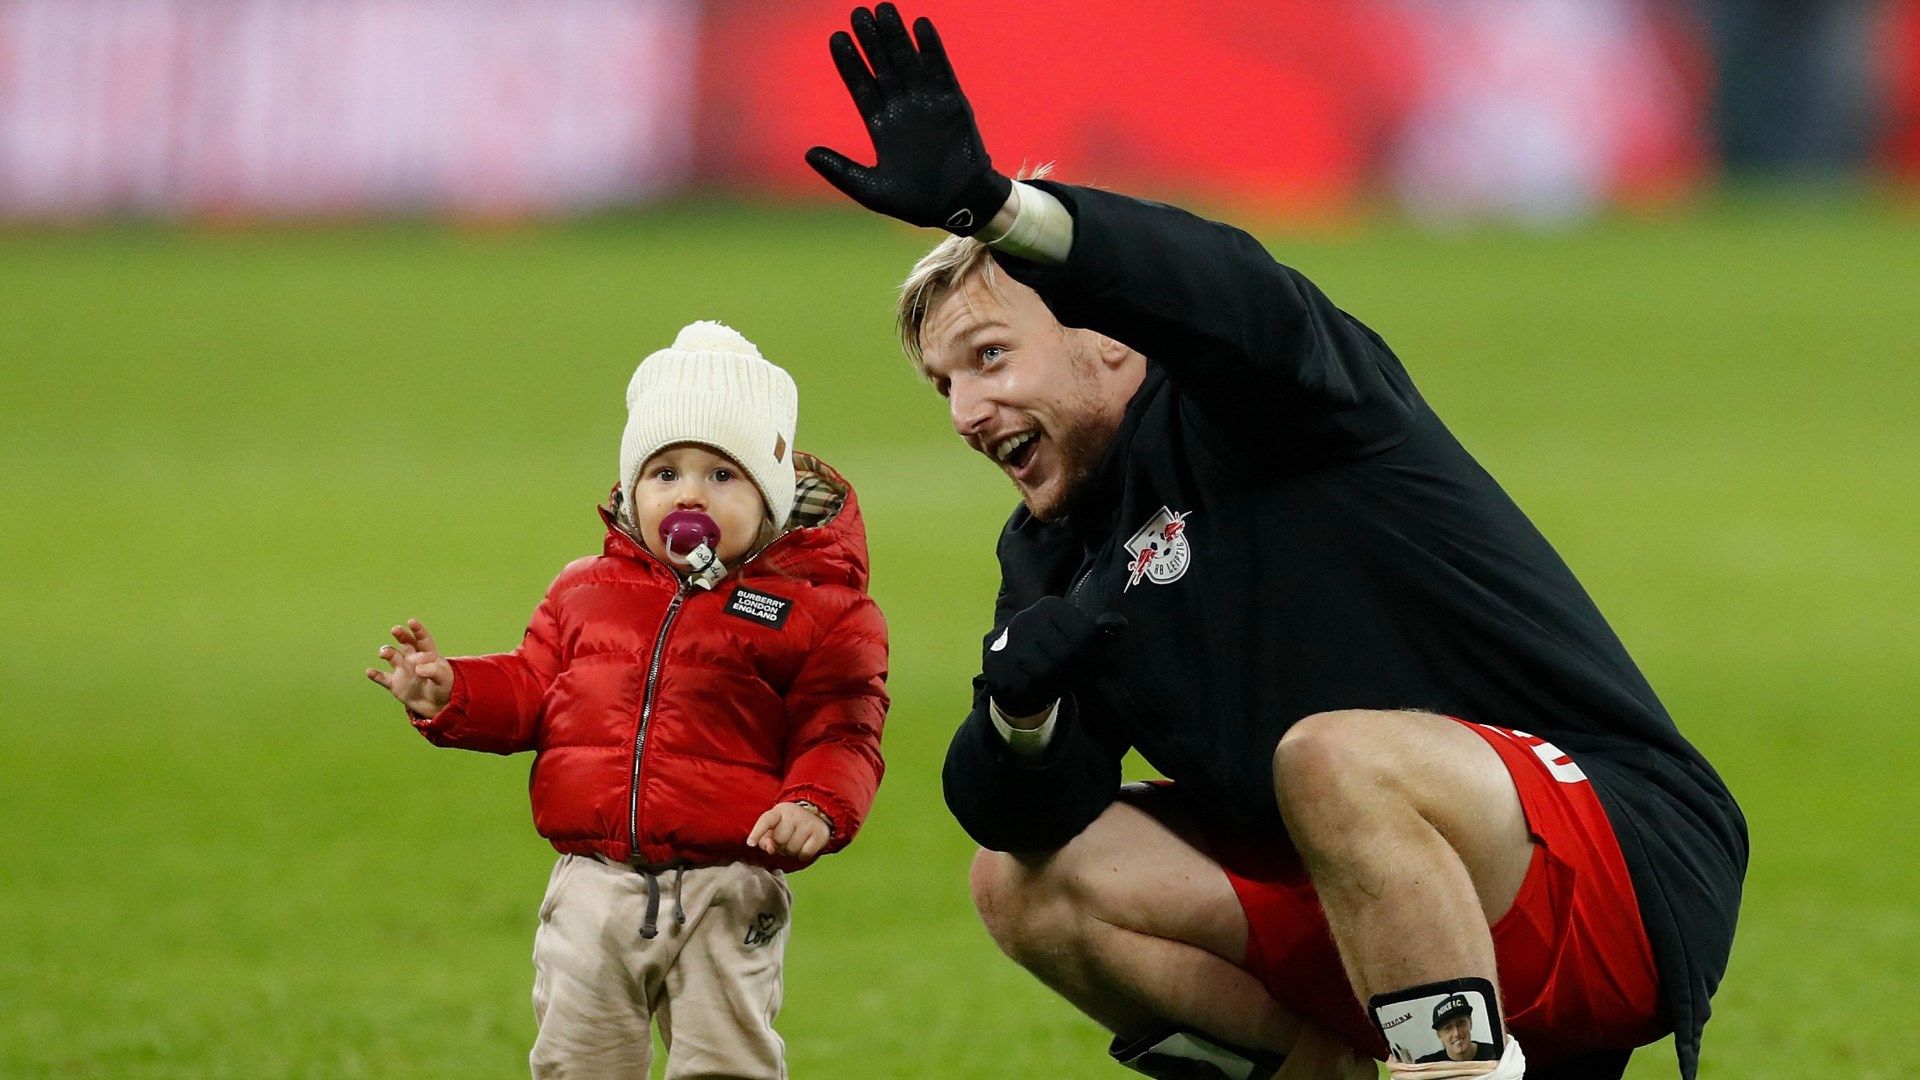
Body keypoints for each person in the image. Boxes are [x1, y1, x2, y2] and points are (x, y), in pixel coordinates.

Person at [804, 7, 1745, 1080]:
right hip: (1376, 899)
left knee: (1333, 757)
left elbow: (1220, 283)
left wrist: (1002, 212)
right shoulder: (1054, 553)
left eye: (989, 355)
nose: (968, 409)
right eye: (945, 384)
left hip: (1614, 857)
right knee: (1022, 883)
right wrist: (1020, 719)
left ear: (1109, 337)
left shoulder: (1265, 396)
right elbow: (1024, 815)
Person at [364, 321, 888, 1079]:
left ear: (770, 493)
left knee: (727, 1064)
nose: (688, 495)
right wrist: (450, 690)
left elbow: (843, 729)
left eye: (721, 474)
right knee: (578, 1062)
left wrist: (814, 804)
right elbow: (533, 686)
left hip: (729, 884)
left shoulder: (820, 611)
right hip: (593, 885)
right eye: (665, 472)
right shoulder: (587, 590)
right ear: (633, 484)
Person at [1417, 995, 1499, 1064]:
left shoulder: (1495, 1054)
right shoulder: (1426, 1066)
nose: (1456, 1033)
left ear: (1470, 1023)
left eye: (1461, 1023)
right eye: (1448, 1028)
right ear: (1439, 1035)